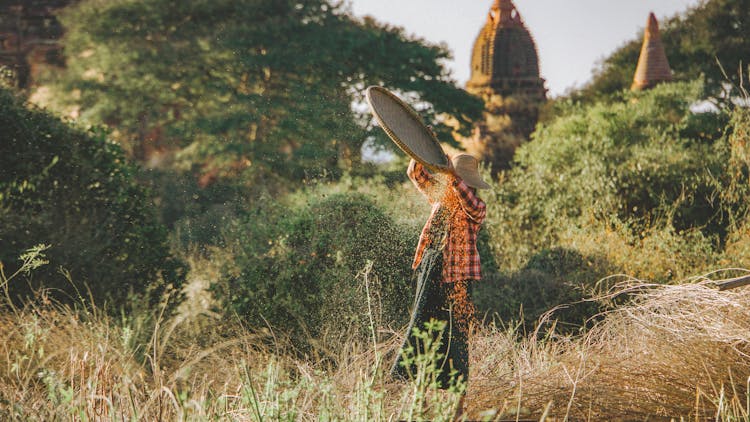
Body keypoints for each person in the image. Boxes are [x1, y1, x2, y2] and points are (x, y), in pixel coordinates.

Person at [391, 153, 490, 411]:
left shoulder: (476, 209)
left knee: (456, 339)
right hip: (432, 273)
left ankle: (457, 407)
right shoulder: (440, 198)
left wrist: (451, 175)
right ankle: (420, 401)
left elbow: (465, 197)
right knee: (423, 333)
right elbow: (416, 175)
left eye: (456, 179)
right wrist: (420, 153)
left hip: (457, 282)